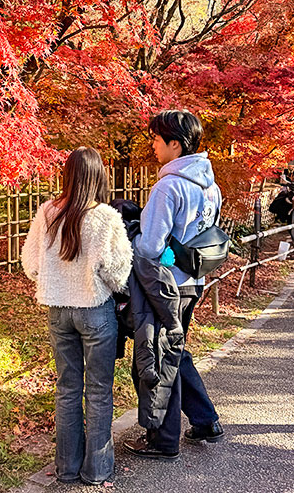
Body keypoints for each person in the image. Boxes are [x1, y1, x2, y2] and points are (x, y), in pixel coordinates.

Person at [21, 147, 133, 485]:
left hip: (58, 311)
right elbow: (118, 271)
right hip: (95, 311)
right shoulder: (106, 217)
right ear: (99, 175)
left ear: (67, 175)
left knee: (66, 388)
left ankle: (66, 468)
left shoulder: (47, 212)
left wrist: (53, 278)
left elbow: (30, 264)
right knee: (99, 390)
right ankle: (97, 470)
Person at [124, 109, 224, 459]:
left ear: (175, 145)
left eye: (156, 138)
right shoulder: (211, 187)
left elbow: (150, 246)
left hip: (166, 287)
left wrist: (130, 235)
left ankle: (162, 441)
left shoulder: (169, 186)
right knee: (175, 351)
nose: (152, 145)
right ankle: (205, 419)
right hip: (194, 282)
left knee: (158, 357)